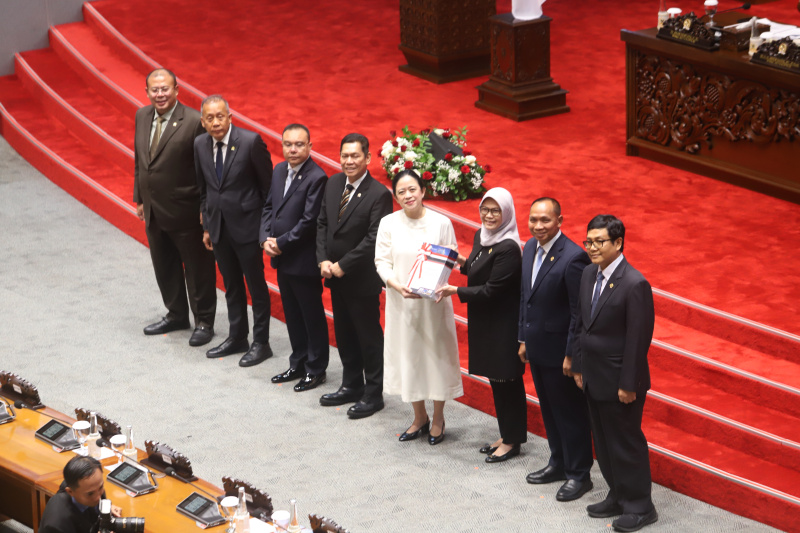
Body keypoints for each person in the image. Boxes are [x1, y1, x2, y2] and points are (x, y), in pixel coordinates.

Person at [571, 214, 657, 532]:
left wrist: (628, 383)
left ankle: (640, 506)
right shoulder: (588, 274)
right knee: (604, 443)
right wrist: (578, 365)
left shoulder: (635, 283)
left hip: (621, 381)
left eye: (599, 242)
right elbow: (582, 324)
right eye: (588, 241)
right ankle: (618, 495)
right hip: (594, 376)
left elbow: (638, 339)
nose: (592, 247)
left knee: (625, 444)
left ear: (618, 243)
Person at [437, 187, 526, 459]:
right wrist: (460, 261)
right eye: (485, 209)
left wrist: (455, 290)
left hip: (503, 325)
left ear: (507, 213)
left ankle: (513, 440)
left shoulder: (509, 248)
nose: (489, 215)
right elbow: (480, 269)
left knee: (507, 380)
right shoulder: (482, 235)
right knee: (497, 380)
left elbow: (492, 289)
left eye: (495, 211)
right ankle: (507, 433)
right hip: (485, 321)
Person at [375, 169, 463, 444]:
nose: (407, 195)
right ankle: (419, 416)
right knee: (409, 357)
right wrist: (396, 285)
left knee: (436, 357)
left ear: (423, 191)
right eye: (401, 192)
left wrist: (438, 282)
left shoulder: (441, 222)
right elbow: (381, 262)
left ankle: (438, 418)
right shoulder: (388, 223)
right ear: (395, 196)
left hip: (433, 303)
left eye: (412, 189)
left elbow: (449, 256)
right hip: (402, 302)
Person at [133, 68, 217, 347]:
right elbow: (141, 159)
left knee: (197, 269)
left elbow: (207, 169)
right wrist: (140, 197)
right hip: (153, 209)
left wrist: (206, 209)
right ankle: (176, 314)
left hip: (186, 210)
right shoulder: (142, 115)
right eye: (154, 90)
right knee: (164, 265)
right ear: (147, 92)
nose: (160, 94)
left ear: (177, 90)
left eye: (165, 89)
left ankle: (204, 321)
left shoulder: (193, 121)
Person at [518, 197, 594, 501]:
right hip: (537, 346)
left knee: (570, 414)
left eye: (545, 220)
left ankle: (579, 474)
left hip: (561, 352)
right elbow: (526, 297)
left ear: (559, 221)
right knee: (550, 411)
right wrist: (523, 337)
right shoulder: (528, 248)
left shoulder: (574, 257)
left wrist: (572, 355)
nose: (538, 226)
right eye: (533, 220)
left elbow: (579, 312)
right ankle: (558, 462)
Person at [316, 133, 392, 419]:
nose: (349, 161)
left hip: (361, 279)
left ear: (367, 158)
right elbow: (322, 223)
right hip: (334, 276)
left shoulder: (379, 194)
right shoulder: (334, 183)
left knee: (368, 337)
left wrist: (343, 264)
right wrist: (323, 259)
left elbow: (374, 238)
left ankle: (373, 394)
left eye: (355, 156)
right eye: (345, 156)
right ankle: (351, 385)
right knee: (345, 333)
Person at [194, 95, 274, 366]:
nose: (216, 122)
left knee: (256, 287)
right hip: (219, 228)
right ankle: (238, 336)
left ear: (230, 117)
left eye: (220, 116)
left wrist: (265, 230)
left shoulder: (250, 142)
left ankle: (261, 342)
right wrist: (207, 226)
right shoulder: (200, 144)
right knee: (231, 286)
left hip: (248, 228)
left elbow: (268, 190)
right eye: (210, 118)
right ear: (202, 121)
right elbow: (204, 190)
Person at [261, 124, 329, 391]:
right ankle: (298, 363)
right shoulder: (279, 170)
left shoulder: (317, 177)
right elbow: (269, 207)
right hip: (282, 258)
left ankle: (316, 369)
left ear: (310, 146)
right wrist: (265, 238)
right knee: (292, 314)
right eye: (288, 144)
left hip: (303, 260)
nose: (293, 149)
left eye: (299, 144)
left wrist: (280, 243)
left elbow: (309, 221)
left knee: (311, 316)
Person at [39, 456, 121, 533]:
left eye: (101, 487)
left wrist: (106, 510)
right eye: (90, 494)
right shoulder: (56, 525)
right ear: (70, 492)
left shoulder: (92, 487)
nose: (98, 497)